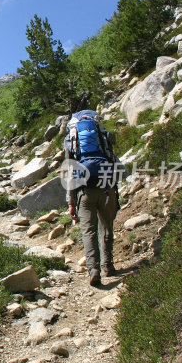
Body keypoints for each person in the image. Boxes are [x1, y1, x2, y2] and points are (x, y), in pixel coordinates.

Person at [64, 110, 120, 287]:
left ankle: (93, 270)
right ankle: (108, 265)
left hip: (84, 191)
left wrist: (71, 203)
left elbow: (69, 172)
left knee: (89, 231)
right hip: (106, 187)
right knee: (107, 227)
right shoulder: (103, 136)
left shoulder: (71, 140)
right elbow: (113, 160)